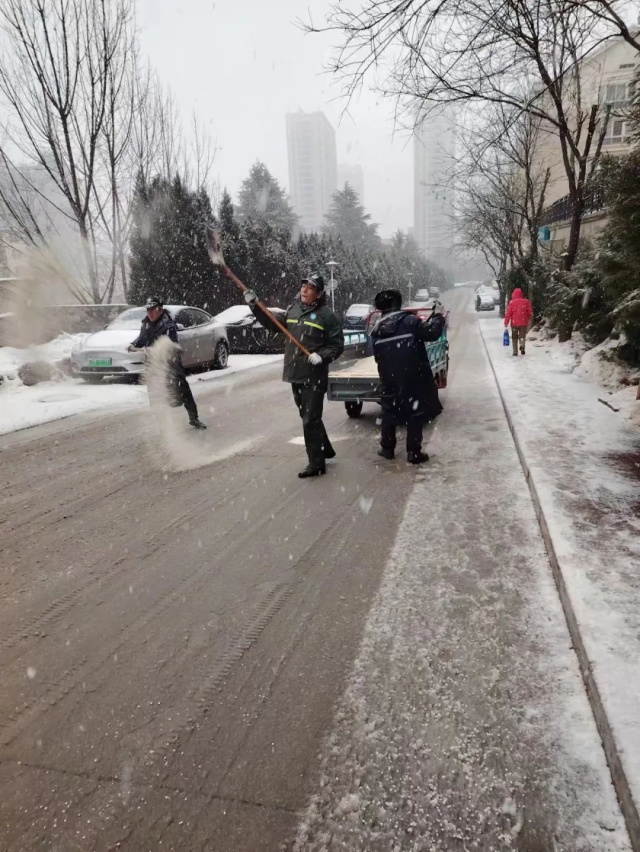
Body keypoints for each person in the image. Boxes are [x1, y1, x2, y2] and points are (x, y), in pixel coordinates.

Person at [244, 274, 344, 478]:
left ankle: (316, 463)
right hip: (295, 373)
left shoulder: (327, 316)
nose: (304, 290)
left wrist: (322, 356)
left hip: (314, 376)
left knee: (310, 419)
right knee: (308, 417)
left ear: (319, 293)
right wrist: (255, 306)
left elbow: (336, 345)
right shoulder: (293, 310)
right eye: (303, 286)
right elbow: (273, 322)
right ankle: (324, 449)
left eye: (310, 288)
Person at [370, 289, 446, 464]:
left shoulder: (376, 329)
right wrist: (437, 317)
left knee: (388, 411)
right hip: (412, 376)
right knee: (414, 413)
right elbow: (432, 332)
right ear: (399, 304)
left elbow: (377, 355)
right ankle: (413, 452)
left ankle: (387, 448)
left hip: (387, 377)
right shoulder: (410, 321)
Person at [128, 297, 206, 429]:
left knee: (183, 390)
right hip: (153, 362)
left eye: (152, 309)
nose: (149, 313)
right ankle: (159, 420)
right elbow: (142, 339)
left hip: (171, 363)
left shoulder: (168, 325)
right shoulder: (146, 323)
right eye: (148, 310)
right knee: (154, 391)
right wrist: (133, 344)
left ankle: (194, 418)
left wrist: (159, 350)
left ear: (160, 309)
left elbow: (170, 344)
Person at [504, 287, 533, 356]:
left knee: (514, 337)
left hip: (514, 323)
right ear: (521, 294)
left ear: (513, 294)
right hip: (523, 322)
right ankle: (522, 346)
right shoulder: (526, 301)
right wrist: (528, 318)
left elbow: (508, 314)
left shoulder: (512, 302)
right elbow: (530, 312)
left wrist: (506, 322)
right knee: (522, 336)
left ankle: (515, 351)